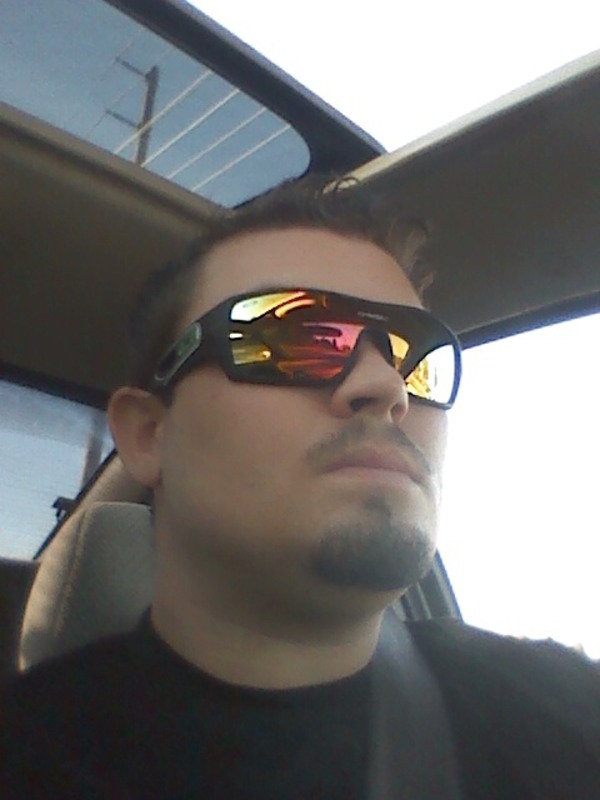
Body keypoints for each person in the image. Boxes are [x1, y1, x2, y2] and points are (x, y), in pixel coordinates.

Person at [1, 177, 599, 799]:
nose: (388, 388)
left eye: (413, 360)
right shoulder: (25, 756)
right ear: (151, 434)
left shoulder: (562, 711)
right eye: (295, 338)